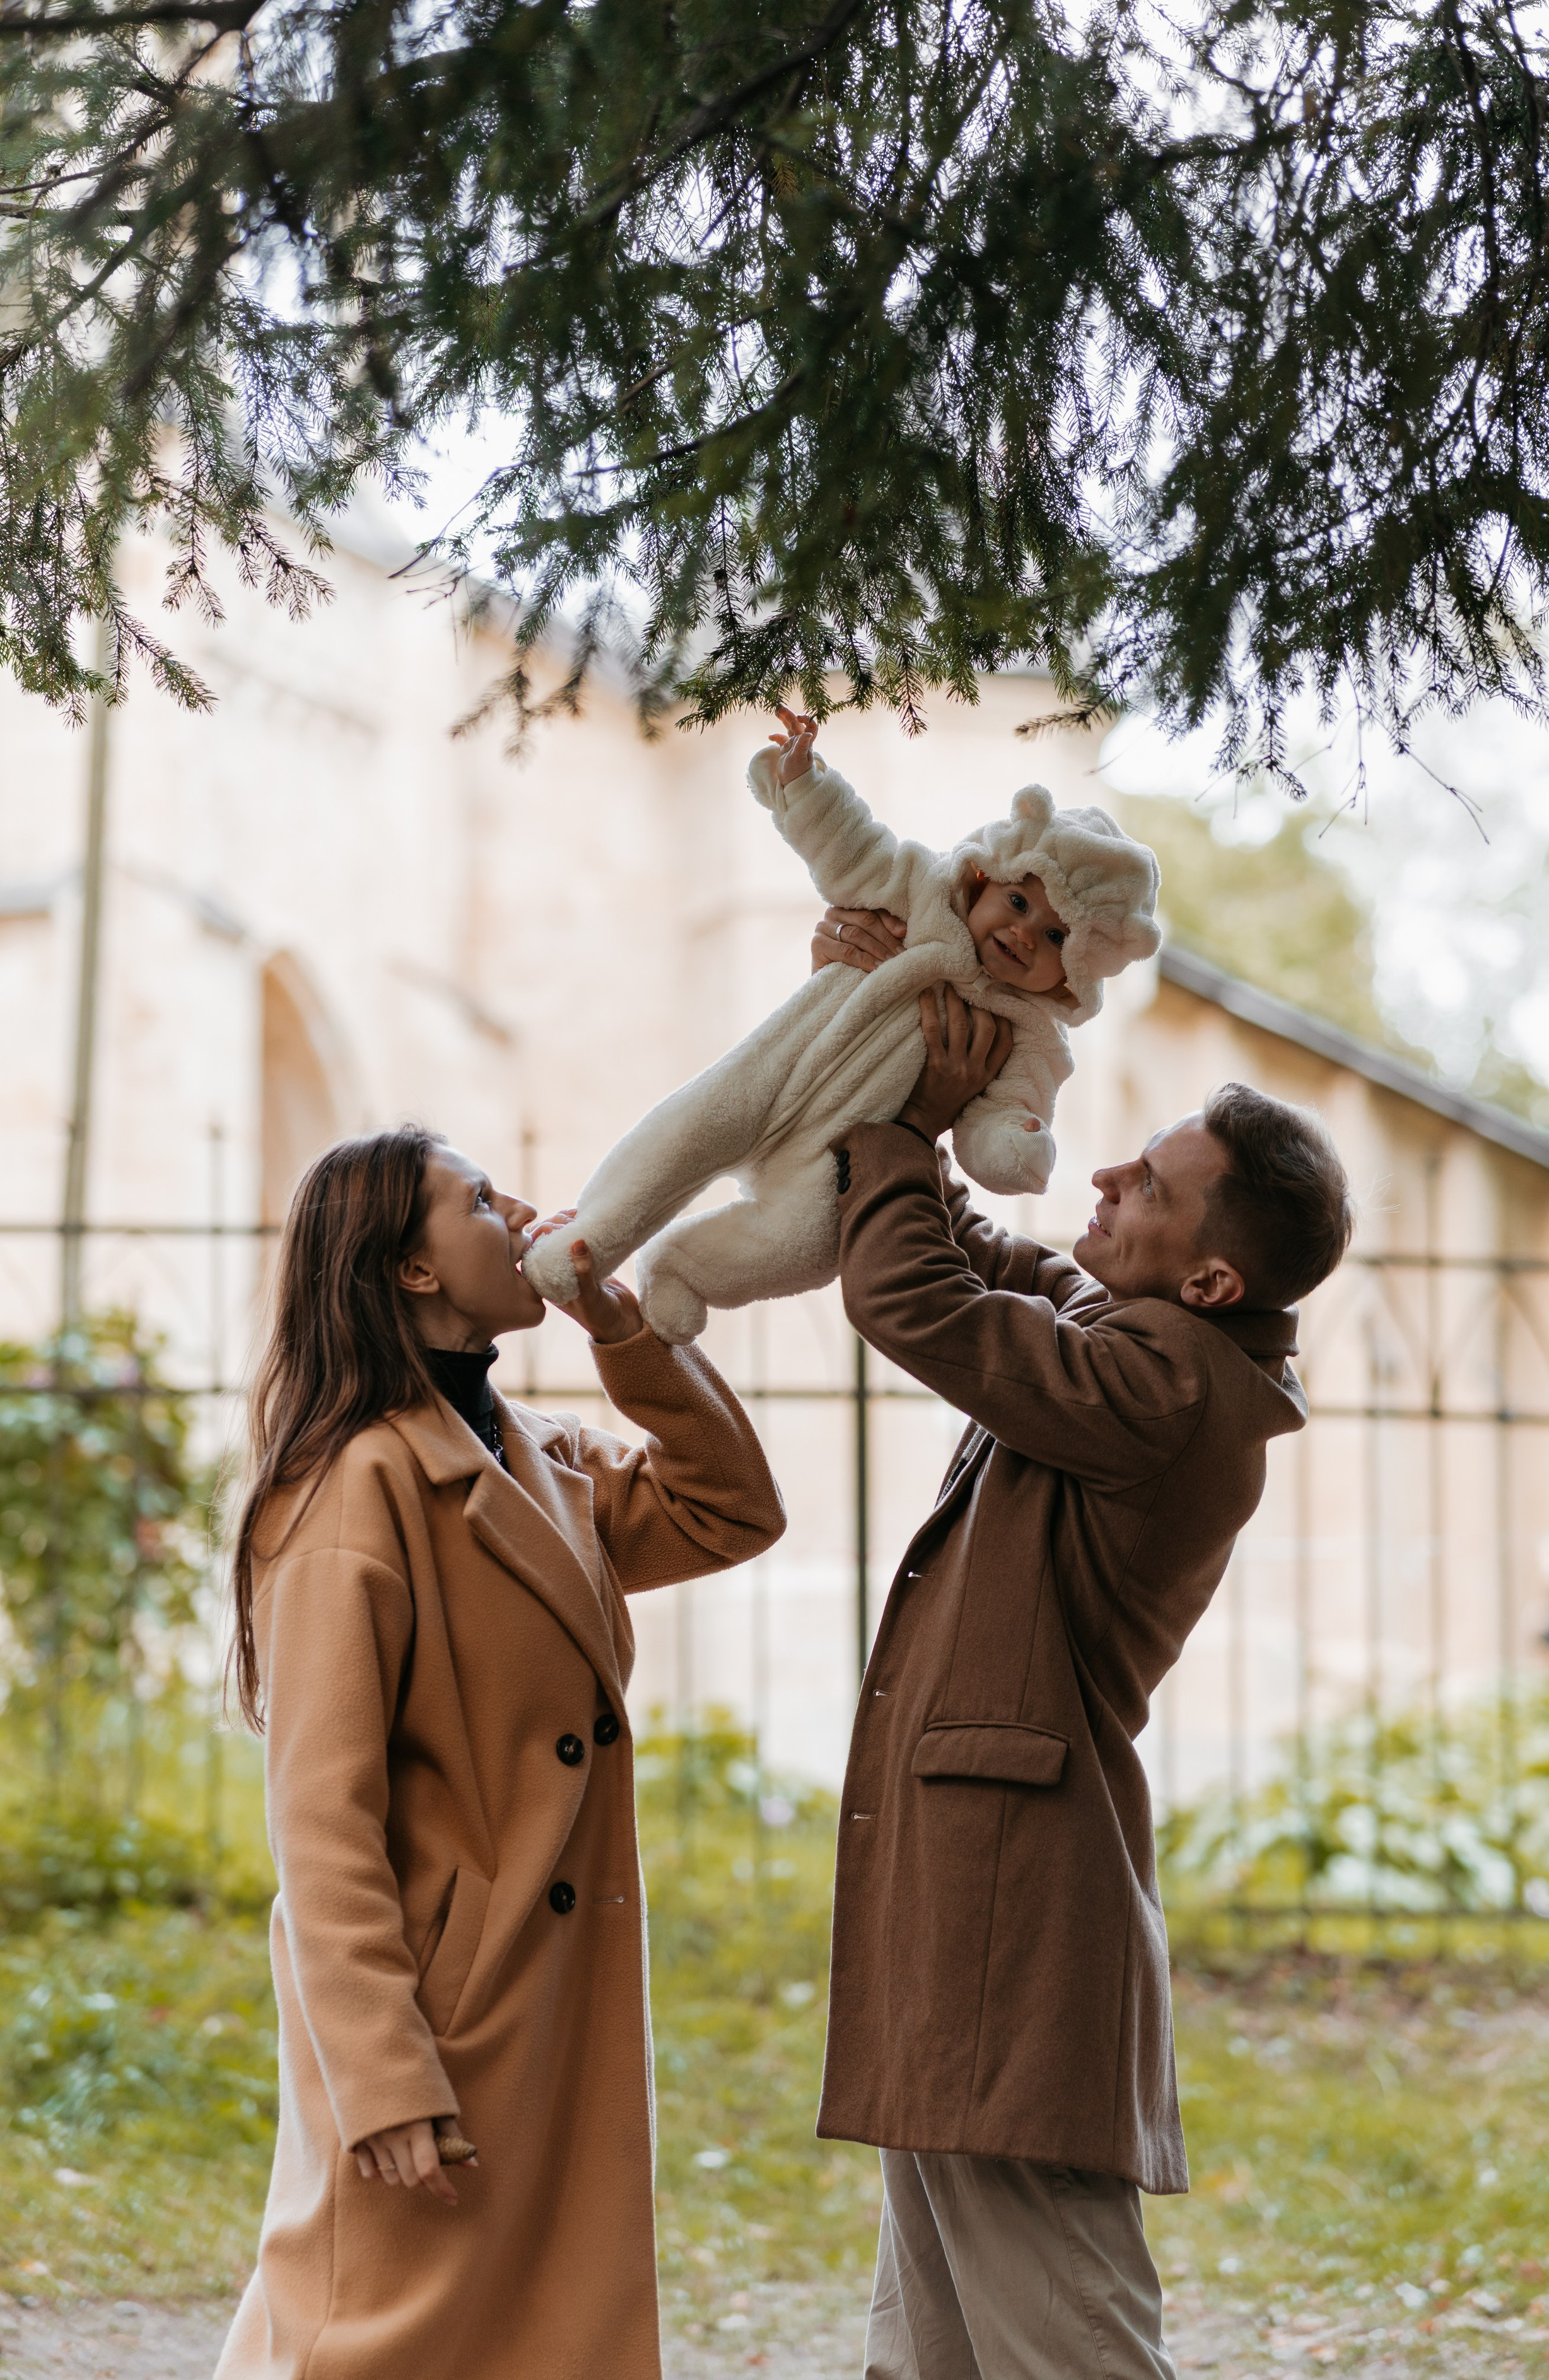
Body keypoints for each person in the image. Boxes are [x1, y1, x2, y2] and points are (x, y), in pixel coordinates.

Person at [808, 907, 1353, 2380]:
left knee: (1060, 2335)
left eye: (1153, 1186)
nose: (1103, 1173)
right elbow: (987, 1252)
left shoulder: (1162, 1387)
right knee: (932, 2340)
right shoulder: (1139, 1339)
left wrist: (906, 1119)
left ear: (1213, 1283)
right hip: (977, 1904)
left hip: (1013, 1914)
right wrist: (880, 1029)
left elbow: (914, 1294)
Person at [214, 1127, 785, 2380]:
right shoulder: (351, 1492)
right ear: (410, 1272)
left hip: (548, 2000)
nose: (519, 1210)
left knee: (531, 2343)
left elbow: (733, 1508)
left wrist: (622, 1328)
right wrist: (380, 2073)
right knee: (368, 2334)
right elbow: (322, 1819)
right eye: (476, 1201)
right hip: (444, 2012)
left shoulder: (534, 1454)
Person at [521, 708, 1158, 1346]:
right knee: (679, 1138)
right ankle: (589, 1236)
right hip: (774, 1068)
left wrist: (1012, 1142)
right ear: (983, 876)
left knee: (809, 1242)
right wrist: (803, 782)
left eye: (1054, 936)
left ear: (1075, 970)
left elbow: (1009, 1110)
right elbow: (854, 849)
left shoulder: (1030, 1033)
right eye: (1018, 903)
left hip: (840, 1152)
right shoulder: (921, 891)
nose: (1023, 933)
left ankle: (683, 1266)